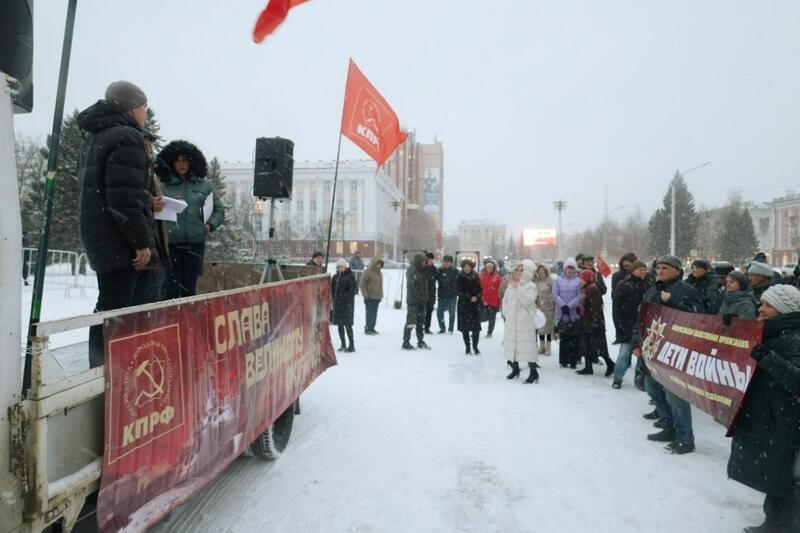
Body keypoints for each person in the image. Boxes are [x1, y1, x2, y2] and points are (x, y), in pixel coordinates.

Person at [77, 81, 160, 368]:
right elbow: (123, 198)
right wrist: (140, 242)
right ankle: (112, 373)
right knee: (119, 312)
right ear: (132, 108)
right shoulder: (127, 137)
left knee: (107, 307)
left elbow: (107, 189)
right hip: (119, 241)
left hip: (100, 235)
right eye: (144, 108)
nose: (145, 114)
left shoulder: (96, 136)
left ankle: (100, 369)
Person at [728, 284, 800, 532]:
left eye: (768, 305)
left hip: (787, 421)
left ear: (783, 309)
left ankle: (785, 526)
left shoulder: (795, 338)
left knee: (785, 478)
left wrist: (767, 357)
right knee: (776, 476)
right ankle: (774, 522)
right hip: (772, 417)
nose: (762, 308)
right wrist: (728, 326)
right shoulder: (771, 331)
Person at [632, 255, 704, 454]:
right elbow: (640, 318)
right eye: (658, 268)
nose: (660, 271)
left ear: (677, 271)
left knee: (676, 395)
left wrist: (673, 302)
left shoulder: (688, 291)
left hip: (675, 349)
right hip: (652, 347)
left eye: (665, 268)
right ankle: (668, 425)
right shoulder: (652, 291)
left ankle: (685, 437)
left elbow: (698, 316)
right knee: (652, 387)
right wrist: (635, 344)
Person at [157, 140, 224, 299]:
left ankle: (188, 321)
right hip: (171, 244)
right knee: (170, 288)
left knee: (190, 288)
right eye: (177, 161)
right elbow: (153, 210)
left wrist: (209, 225)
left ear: (192, 162)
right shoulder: (163, 186)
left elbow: (219, 210)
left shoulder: (205, 186)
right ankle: (171, 320)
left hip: (196, 244)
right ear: (171, 163)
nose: (181, 164)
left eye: (185, 160)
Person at [611, 261, 649, 388]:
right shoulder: (624, 285)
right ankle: (617, 378)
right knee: (624, 355)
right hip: (627, 326)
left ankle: (639, 380)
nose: (643, 272)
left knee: (641, 356)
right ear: (633, 271)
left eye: (644, 270)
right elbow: (616, 309)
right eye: (640, 270)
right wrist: (619, 327)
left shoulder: (649, 285)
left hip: (644, 327)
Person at [503, 260, 540, 383]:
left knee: (527, 347)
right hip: (512, 321)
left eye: (521, 271)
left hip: (525, 322)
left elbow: (528, 300)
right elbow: (505, 300)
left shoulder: (531, 286)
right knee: (512, 345)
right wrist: (506, 313)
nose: (518, 273)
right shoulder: (511, 285)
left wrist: (517, 287)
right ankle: (515, 368)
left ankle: (533, 372)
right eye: (517, 270)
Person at [576, 270, 615, 376]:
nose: (579, 281)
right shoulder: (586, 289)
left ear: (588, 279)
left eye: (582, 279)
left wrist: (595, 322)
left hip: (594, 323)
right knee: (587, 345)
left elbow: (596, 307)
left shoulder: (593, 289)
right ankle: (588, 367)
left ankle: (610, 364)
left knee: (599, 346)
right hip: (587, 322)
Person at [553, 258, 582, 368]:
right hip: (562, 312)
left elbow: (580, 296)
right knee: (564, 337)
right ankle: (563, 360)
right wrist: (562, 305)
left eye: (572, 268)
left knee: (574, 337)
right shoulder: (558, 280)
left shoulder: (578, 280)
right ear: (564, 269)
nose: (570, 270)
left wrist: (569, 306)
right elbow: (555, 295)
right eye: (568, 268)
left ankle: (573, 360)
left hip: (573, 313)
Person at [402, 253, 429, 350]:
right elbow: (413, 287)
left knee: (420, 322)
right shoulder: (411, 271)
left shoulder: (423, 271)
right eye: (423, 262)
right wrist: (418, 298)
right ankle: (406, 342)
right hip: (413, 301)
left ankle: (420, 341)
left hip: (422, 301)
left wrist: (425, 298)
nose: (424, 264)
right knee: (411, 322)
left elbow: (425, 287)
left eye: (425, 262)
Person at [331, 258, 357, 352]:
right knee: (340, 325)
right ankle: (343, 344)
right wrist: (334, 297)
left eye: (341, 266)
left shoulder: (350, 276)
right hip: (338, 305)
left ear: (345, 266)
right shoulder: (335, 277)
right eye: (338, 267)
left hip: (347, 305)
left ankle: (351, 344)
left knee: (348, 325)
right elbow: (332, 289)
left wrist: (343, 297)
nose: (339, 268)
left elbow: (353, 290)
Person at [458, 258, 483, 355]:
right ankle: (467, 347)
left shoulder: (475, 276)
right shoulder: (460, 276)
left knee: (476, 328)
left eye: (468, 267)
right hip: (464, 305)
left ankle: (475, 346)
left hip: (474, 305)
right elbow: (459, 291)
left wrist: (477, 297)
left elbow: (480, 289)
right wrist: (469, 297)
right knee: (465, 328)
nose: (467, 268)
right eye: (465, 267)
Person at [611, 253, 638, 342]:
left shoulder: (641, 274)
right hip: (623, 313)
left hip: (638, 313)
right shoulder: (617, 276)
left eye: (629, 262)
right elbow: (615, 297)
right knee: (624, 353)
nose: (626, 264)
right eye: (625, 262)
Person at [534, 264, 555, 355]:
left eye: (543, 270)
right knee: (541, 327)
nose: (541, 272)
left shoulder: (551, 281)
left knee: (549, 328)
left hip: (550, 307)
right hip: (539, 307)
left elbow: (555, 293)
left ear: (546, 271)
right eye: (540, 270)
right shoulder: (536, 281)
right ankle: (541, 346)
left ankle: (548, 347)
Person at [479, 259, 503, 338]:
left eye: (491, 267)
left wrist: (500, 302)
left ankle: (490, 332)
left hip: (494, 301)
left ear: (493, 268)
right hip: (483, 300)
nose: (489, 269)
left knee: (492, 317)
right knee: (481, 316)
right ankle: (477, 329)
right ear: (485, 268)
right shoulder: (481, 276)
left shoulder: (498, 277)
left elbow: (501, 289)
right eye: (488, 267)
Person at [359, 258, 384, 335]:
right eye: (377, 263)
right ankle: (368, 328)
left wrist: (381, 295)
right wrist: (366, 295)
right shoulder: (367, 272)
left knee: (374, 313)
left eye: (380, 264)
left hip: (377, 297)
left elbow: (380, 285)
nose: (379, 265)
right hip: (369, 297)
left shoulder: (380, 273)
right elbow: (362, 284)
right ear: (374, 263)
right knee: (369, 313)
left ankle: (372, 328)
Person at [436, 255, 459, 334]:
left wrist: (456, 291)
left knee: (452, 313)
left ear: (451, 263)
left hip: (452, 296)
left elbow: (460, 283)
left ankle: (450, 329)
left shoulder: (456, 271)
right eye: (444, 262)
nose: (445, 263)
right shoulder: (440, 271)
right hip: (442, 295)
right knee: (439, 313)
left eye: (447, 262)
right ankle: (442, 328)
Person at [423, 252, 438, 334]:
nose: (429, 261)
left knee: (429, 311)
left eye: (430, 259)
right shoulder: (422, 268)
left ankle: (427, 327)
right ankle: (420, 326)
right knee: (421, 311)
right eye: (428, 259)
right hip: (422, 294)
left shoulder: (434, 269)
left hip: (431, 293)